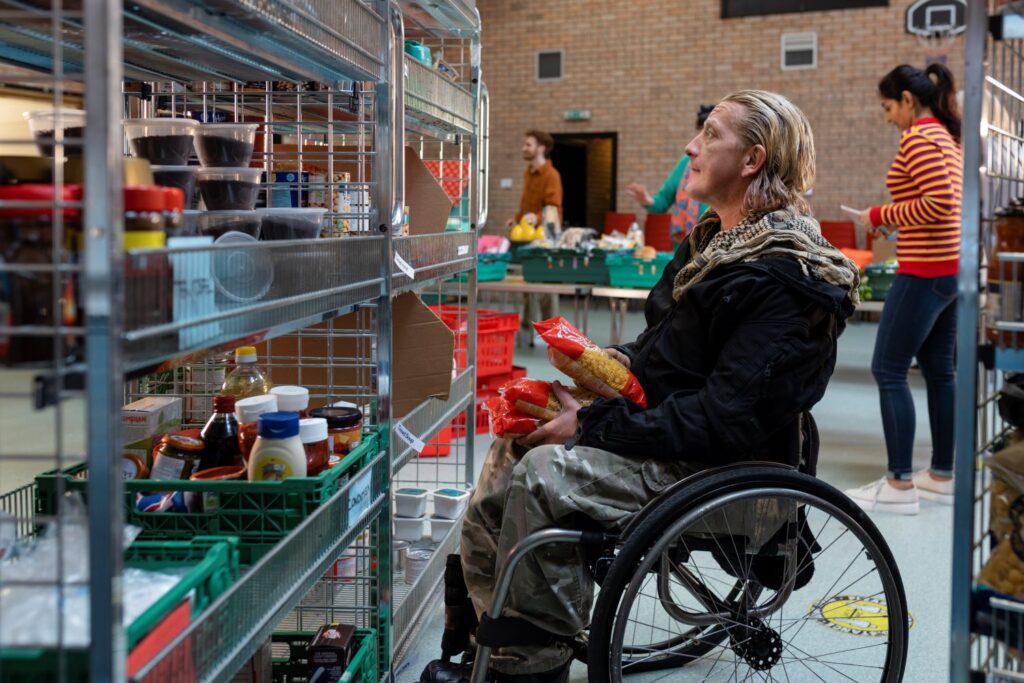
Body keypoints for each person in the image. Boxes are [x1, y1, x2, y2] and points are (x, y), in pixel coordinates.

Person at [422, 91, 859, 683]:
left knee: (546, 474)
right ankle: (492, 635)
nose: (691, 147)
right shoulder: (711, 244)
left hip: (717, 466)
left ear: (752, 160)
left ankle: (529, 667)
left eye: (710, 135)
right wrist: (601, 368)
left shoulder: (784, 277)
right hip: (674, 436)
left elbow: (724, 418)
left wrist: (595, 424)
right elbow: (663, 356)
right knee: (514, 447)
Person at [844, 63, 962, 515]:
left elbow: (939, 203)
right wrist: (894, 226)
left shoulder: (919, 138)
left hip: (926, 271)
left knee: (888, 368)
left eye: (888, 107)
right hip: (950, 269)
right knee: (939, 372)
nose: (887, 117)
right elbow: (942, 208)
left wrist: (877, 216)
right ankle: (942, 474)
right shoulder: (945, 139)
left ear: (908, 102)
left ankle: (898, 484)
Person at [626, 104, 713, 242]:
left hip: (715, 244)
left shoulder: (723, 164)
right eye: (699, 132)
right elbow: (662, 202)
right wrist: (647, 201)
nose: (700, 139)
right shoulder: (686, 162)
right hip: (685, 245)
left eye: (708, 133)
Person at [508, 130, 563, 345]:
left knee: (547, 288)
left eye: (528, 145)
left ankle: (554, 335)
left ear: (541, 148)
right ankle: (527, 330)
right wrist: (517, 219)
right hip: (528, 236)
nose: (524, 148)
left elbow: (555, 210)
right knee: (528, 283)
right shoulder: (528, 173)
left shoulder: (552, 175)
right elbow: (526, 206)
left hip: (547, 237)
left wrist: (536, 218)